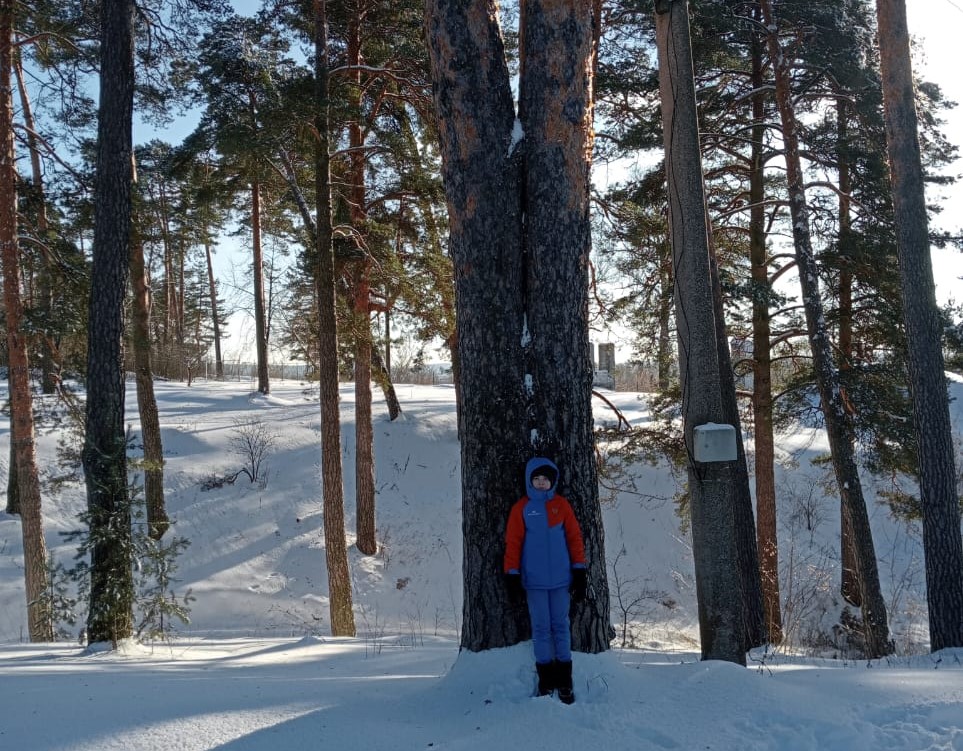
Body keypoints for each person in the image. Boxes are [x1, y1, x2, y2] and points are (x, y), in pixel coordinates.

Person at [503, 457, 588, 704]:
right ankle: (545, 679)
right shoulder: (522, 508)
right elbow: (513, 542)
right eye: (537, 479)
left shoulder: (561, 506)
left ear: (553, 481)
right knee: (541, 629)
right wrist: (512, 573)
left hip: (562, 580)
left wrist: (580, 570)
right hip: (535, 581)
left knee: (561, 627)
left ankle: (565, 680)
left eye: (545, 479)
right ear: (530, 481)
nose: (541, 483)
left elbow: (574, 538)